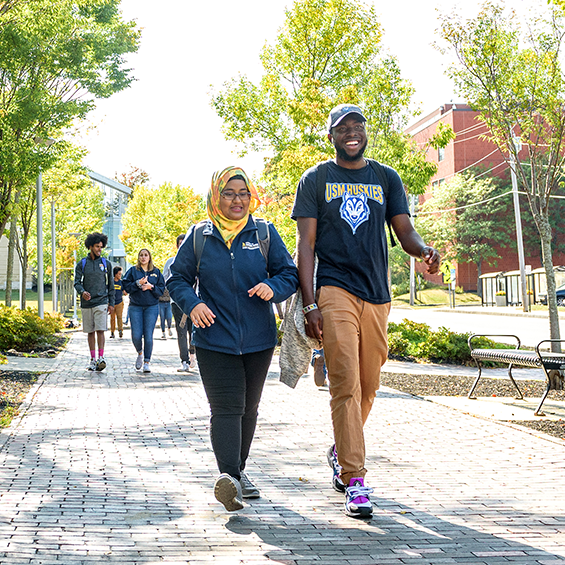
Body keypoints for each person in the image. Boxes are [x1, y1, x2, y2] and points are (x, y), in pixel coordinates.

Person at [292, 104, 440, 518]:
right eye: (343, 128)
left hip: (377, 294)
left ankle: (341, 450)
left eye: (358, 127)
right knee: (345, 384)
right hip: (335, 288)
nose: (352, 133)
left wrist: (424, 250)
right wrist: (310, 303)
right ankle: (354, 479)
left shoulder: (385, 177)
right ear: (331, 136)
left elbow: (405, 230)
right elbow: (306, 245)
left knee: (369, 385)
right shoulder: (316, 179)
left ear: (365, 132)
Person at [167, 166, 298, 512]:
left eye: (243, 193)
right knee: (226, 408)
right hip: (214, 339)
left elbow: (289, 273)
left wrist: (274, 286)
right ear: (215, 196)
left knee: (249, 410)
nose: (237, 199)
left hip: (259, 339)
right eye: (229, 193)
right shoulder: (200, 236)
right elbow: (175, 278)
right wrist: (192, 304)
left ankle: (237, 474)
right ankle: (229, 479)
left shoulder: (265, 232)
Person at [73, 232, 115, 371]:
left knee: (100, 330)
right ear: (90, 246)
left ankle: (101, 358)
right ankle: (92, 359)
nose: (99, 249)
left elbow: (111, 285)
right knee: (90, 331)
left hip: (102, 301)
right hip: (87, 303)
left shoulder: (106, 263)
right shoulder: (82, 264)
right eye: (97, 246)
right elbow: (77, 282)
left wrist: (111, 303)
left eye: (101, 247)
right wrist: (82, 292)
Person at [122, 248, 165, 374]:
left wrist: (151, 287)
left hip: (151, 307)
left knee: (148, 336)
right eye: (141, 255)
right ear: (138, 257)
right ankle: (140, 353)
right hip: (135, 307)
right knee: (136, 335)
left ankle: (147, 362)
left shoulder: (156, 272)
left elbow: (161, 289)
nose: (143, 257)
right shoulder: (133, 271)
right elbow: (126, 287)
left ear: (149, 257)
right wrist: (137, 284)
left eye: (146, 255)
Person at [163, 234, 196, 372]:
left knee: (193, 330)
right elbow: (166, 280)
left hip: (195, 303)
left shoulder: (196, 261)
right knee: (181, 331)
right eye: (180, 243)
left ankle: (193, 356)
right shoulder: (170, 262)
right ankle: (184, 360)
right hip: (177, 303)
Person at [109, 266, 126, 339]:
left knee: (119, 317)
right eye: (119, 274)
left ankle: (120, 330)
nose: (120, 275)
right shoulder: (111, 282)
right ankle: (112, 332)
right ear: (115, 274)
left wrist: (125, 292)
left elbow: (124, 291)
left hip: (119, 302)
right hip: (112, 303)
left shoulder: (121, 282)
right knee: (112, 318)